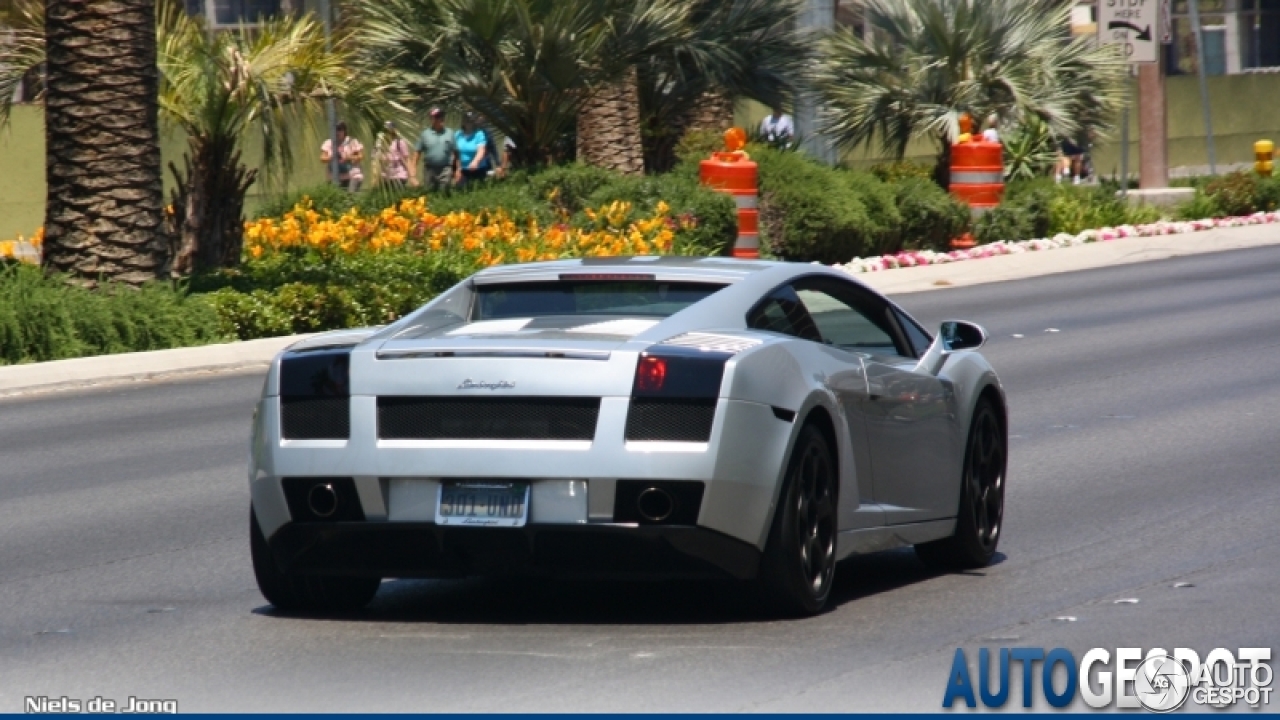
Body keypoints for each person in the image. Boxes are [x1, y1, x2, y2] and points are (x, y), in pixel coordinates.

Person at [411, 108, 456, 191]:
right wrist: (413, 175)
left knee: (444, 192)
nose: (441, 118)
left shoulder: (450, 133)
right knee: (429, 193)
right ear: (431, 119)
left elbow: (456, 152)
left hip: (445, 169)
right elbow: (417, 153)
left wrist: (457, 169)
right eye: (438, 116)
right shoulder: (425, 134)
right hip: (429, 170)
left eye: (442, 116)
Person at [320, 121, 364, 192]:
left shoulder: (352, 141)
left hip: (352, 176)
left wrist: (349, 158)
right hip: (334, 177)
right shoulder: (329, 143)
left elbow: (361, 156)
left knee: (350, 196)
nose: (337, 132)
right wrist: (331, 158)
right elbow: (322, 158)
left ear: (344, 131)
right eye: (335, 130)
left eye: (340, 129)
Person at [454, 112, 490, 187]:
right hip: (462, 169)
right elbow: (455, 152)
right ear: (463, 122)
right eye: (466, 120)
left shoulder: (479, 134)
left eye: (470, 120)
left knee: (478, 191)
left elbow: (481, 150)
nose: (468, 122)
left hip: (478, 168)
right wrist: (456, 169)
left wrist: (475, 161)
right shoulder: (458, 134)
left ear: (474, 122)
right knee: (462, 193)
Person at [373, 121, 412, 189]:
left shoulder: (400, 142)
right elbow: (374, 160)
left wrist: (412, 176)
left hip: (399, 176)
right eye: (385, 130)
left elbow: (407, 159)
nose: (387, 132)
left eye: (389, 130)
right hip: (384, 177)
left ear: (393, 130)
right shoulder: (378, 144)